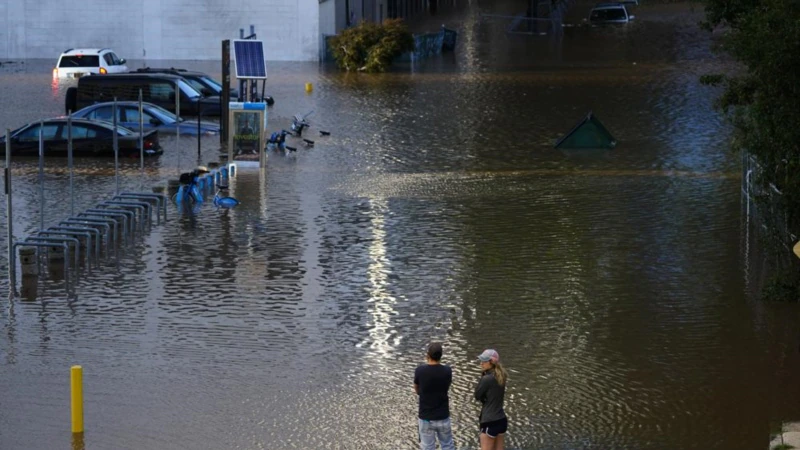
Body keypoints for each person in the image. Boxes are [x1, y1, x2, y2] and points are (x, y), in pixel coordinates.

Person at [414, 342, 455, 450]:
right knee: (447, 445)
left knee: (427, 447)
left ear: (428, 355)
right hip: (443, 416)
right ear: (441, 355)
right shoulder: (447, 370)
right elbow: (447, 386)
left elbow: (416, 389)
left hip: (426, 417)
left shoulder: (420, 370)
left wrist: (422, 393)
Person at [475, 349, 508, 450]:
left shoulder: (487, 379)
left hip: (489, 421)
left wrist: (483, 377)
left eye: (484, 361)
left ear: (491, 362)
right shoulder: (502, 375)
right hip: (501, 420)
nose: (481, 364)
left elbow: (477, 395)